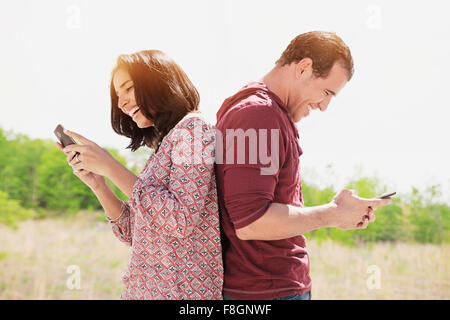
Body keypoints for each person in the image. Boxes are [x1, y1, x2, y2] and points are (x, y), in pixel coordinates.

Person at [214, 31, 392, 300]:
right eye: (326, 92)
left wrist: (339, 212)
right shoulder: (259, 114)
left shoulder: (270, 113)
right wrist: (333, 214)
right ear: (304, 68)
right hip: (264, 293)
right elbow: (252, 222)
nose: (324, 106)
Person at [56, 50, 223, 300]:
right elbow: (133, 232)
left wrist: (111, 166)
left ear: (159, 83)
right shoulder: (163, 145)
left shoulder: (193, 131)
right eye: (118, 95)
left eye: (128, 88)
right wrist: (99, 184)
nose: (122, 102)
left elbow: (180, 218)